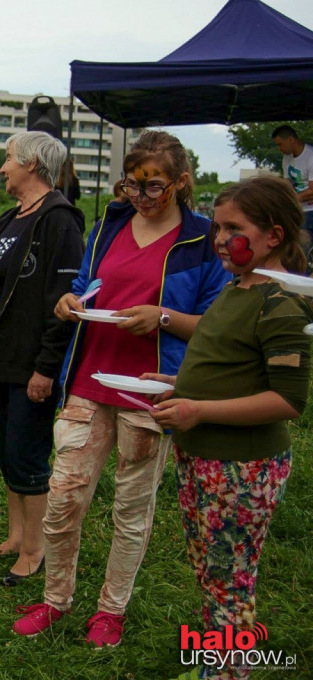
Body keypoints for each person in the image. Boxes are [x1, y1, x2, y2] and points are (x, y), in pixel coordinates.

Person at [12, 130, 232, 647]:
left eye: (152, 186)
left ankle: (111, 610)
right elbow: (90, 282)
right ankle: (54, 599)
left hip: (149, 389)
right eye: (130, 184)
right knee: (64, 498)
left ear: (180, 182)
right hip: (89, 379)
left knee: (132, 509)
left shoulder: (202, 238)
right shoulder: (111, 223)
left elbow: (220, 325)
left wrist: (164, 317)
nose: (138, 196)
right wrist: (72, 298)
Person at [147, 176, 312, 680]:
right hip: (204, 458)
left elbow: (287, 400)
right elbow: (229, 363)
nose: (220, 238)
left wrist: (199, 410)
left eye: (234, 228)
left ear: (274, 236)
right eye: (218, 226)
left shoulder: (281, 301)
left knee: (230, 584)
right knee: (213, 576)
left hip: (241, 469)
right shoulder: (236, 287)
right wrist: (177, 384)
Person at [0, 131, 85, 586]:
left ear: (32, 163)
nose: (2, 168)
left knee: (27, 455)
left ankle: (36, 550)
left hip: (30, 363)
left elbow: (65, 301)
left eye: (8, 159)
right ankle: (16, 536)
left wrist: (46, 367)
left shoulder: (60, 221)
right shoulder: (8, 219)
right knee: (8, 454)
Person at [270, 125, 313, 236]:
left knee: (303, 245)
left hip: (310, 211)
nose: (279, 148)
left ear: (291, 140)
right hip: (295, 210)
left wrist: (291, 200)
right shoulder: (287, 158)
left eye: (280, 144)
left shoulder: (310, 157)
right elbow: (287, 183)